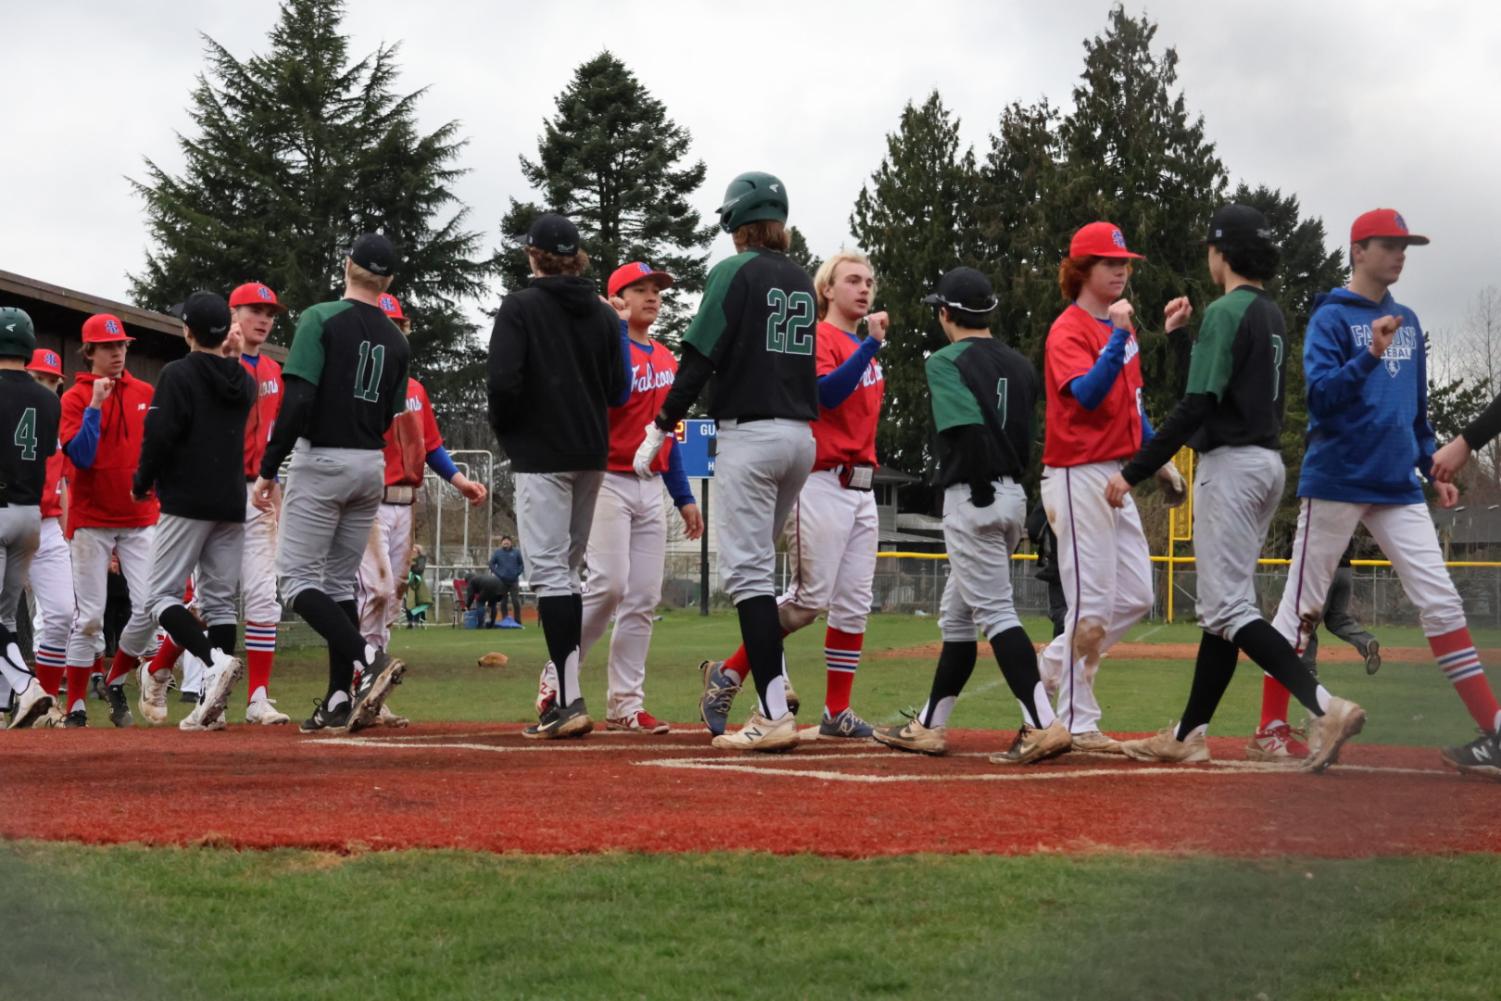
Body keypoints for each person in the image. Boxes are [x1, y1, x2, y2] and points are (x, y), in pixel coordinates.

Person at [1104, 204, 1365, 769]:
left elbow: (1196, 406)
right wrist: (1179, 341)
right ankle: (1188, 733)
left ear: (1222, 253)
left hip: (1232, 471)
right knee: (1222, 614)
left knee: (1230, 609)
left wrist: (1134, 470)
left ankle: (1324, 706)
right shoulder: (1269, 311)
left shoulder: (1226, 310)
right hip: (1264, 467)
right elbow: (1217, 395)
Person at [1253, 208, 1501, 779]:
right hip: (1337, 478)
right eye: (1389, 245)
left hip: (1396, 486)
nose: (1400, 254)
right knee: (1302, 607)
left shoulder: (1408, 321)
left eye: (1405, 246)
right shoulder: (1332, 319)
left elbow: (1415, 417)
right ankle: (1270, 729)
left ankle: (1493, 729)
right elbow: (1321, 400)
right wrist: (1367, 353)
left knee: (1440, 600)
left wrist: (1431, 466)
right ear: (1358, 251)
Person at [634, 171, 819, 751]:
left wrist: (661, 425)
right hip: (800, 439)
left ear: (735, 222)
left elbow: (699, 359)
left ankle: (769, 712)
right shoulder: (800, 280)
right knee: (760, 574)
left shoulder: (733, 271)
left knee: (748, 579)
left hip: (751, 437)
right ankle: (777, 686)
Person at [872, 268, 1068, 763]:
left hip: (974, 494)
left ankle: (1042, 723)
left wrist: (978, 489)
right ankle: (930, 725)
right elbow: (1019, 435)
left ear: (946, 313)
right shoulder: (1021, 365)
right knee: (957, 616)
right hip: (1012, 495)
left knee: (997, 612)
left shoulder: (945, 361)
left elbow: (964, 428)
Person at [697, 250, 887, 739]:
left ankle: (836, 712)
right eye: (852, 280)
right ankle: (732, 671)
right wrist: (868, 348)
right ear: (826, 290)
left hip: (862, 485)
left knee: (853, 604)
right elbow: (826, 395)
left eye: (868, 281)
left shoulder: (859, 342)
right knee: (807, 602)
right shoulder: (820, 337)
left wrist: (866, 348)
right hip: (822, 480)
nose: (864, 288)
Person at [1035, 222, 1189, 753]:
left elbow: (1131, 410)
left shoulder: (1117, 332)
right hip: (1077, 473)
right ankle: (1077, 719)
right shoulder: (1070, 330)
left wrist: (1159, 462)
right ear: (1081, 271)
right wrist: (1121, 335)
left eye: (1124, 262)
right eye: (1108, 262)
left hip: (1117, 472)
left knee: (1138, 595)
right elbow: (1089, 397)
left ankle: (1049, 667)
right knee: (1091, 602)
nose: (1121, 269)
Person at [251, 233, 412, 734]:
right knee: (341, 583)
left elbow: (297, 401)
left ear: (348, 266)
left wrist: (269, 466)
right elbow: (390, 415)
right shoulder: (397, 339)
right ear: (387, 281)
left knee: (296, 583)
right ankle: (339, 698)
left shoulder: (320, 317)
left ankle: (369, 656)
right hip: (370, 464)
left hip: (322, 459)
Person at [534, 260, 702, 735]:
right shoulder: (607, 350)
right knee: (608, 585)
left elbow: (667, 439)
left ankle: (626, 703)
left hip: (650, 485)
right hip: (606, 478)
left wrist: (684, 497)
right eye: (640, 289)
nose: (652, 296)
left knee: (644, 597)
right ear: (616, 300)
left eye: (657, 290)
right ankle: (556, 678)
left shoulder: (669, 359)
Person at [487, 213, 628, 739]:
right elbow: (619, 391)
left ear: (533, 255)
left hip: (542, 453)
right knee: (567, 573)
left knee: (550, 575)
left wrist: (511, 432)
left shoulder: (520, 306)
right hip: (591, 450)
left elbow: (504, 382)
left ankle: (567, 698)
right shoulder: (600, 313)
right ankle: (567, 695)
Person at [356, 292, 487, 724]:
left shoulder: (413, 390)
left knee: (391, 598)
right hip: (369, 503)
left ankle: (374, 691)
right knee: (373, 591)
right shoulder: (357, 384)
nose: (393, 332)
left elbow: (431, 446)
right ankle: (357, 679)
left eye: (399, 325)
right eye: (385, 323)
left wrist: (460, 481)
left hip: (404, 504)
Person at [133, 292, 254, 732]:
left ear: (188, 331)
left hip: (187, 499)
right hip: (230, 501)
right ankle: (210, 709)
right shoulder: (244, 381)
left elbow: (159, 435)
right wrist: (233, 355)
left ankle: (213, 660)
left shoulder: (177, 373)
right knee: (220, 604)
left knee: (158, 597)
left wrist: (141, 482)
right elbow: (229, 375)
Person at [58, 312, 160, 728]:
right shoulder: (75, 398)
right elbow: (80, 456)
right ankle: (77, 705)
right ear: (90, 352)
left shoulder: (144, 391)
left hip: (139, 516)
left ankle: (115, 679)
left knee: (152, 606)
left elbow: (157, 449)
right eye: (108, 347)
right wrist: (96, 405)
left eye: (121, 346)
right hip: (91, 518)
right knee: (90, 618)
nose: (117, 353)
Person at [0, 307, 62, 728]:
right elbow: (44, 454)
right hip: (30, 516)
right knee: (4, 617)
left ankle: (26, 685)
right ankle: (7, 703)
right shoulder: (47, 397)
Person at [22, 347, 72, 726]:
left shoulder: (57, 422)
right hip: (11, 519)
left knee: (60, 613)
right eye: (39, 378)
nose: (47, 387)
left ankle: (46, 704)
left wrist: (66, 534)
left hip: (50, 526)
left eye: (53, 381)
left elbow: (65, 482)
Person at [1300, 542, 1380, 676]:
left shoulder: (1320, 522)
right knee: (1336, 620)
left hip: (1325, 571)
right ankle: (1365, 642)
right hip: (1346, 572)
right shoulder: (1346, 521)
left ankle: (1309, 669)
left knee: (1308, 623)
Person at [1025, 503, 1066, 639]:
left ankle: (1060, 653)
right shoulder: (1093, 492)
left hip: (1061, 564)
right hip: (1092, 565)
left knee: (1061, 611)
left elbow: (1034, 530)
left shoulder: (1053, 492)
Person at [488, 536, 524, 625]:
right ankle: (505, 620)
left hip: (514, 581)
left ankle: (517, 621)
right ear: (501, 543)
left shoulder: (516, 552)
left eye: (507, 541)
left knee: (515, 601)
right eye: (504, 542)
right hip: (501, 581)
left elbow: (522, 564)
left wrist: (517, 573)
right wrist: (498, 573)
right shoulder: (497, 553)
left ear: (511, 543)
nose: (506, 543)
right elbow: (491, 564)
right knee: (503, 601)